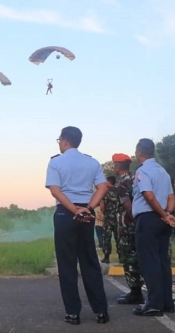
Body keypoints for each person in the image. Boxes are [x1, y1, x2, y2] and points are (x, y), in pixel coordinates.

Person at [46, 126, 109, 325]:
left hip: (67, 213)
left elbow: (55, 191)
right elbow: (103, 187)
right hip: (87, 213)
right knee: (90, 262)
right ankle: (101, 312)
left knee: (67, 265)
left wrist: (74, 210)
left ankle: (73, 313)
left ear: (64, 141)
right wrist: (89, 208)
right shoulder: (92, 162)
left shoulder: (56, 162)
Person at [131, 138, 175, 317]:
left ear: (139, 153)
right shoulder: (163, 171)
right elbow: (171, 196)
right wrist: (168, 213)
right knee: (162, 262)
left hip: (149, 219)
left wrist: (163, 214)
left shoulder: (142, 171)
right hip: (163, 220)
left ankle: (154, 304)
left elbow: (149, 197)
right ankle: (167, 302)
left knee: (149, 262)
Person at [111, 153, 145, 305]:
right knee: (140, 258)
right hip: (140, 226)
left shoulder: (122, 185)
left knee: (129, 260)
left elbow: (128, 207)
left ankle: (135, 293)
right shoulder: (136, 179)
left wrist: (133, 222)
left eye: (114, 164)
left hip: (127, 228)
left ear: (117, 166)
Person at [100, 175, 119, 264]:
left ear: (109, 182)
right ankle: (121, 257)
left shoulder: (105, 192)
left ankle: (106, 257)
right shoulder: (119, 190)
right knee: (119, 237)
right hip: (118, 218)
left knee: (106, 238)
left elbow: (102, 207)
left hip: (108, 217)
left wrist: (105, 214)